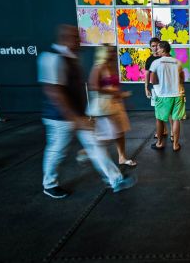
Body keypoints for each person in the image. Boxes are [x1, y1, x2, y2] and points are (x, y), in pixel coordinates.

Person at [37, 25, 136, 198]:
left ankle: (115, 179)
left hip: (78, 116)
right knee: (57, 150)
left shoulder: (72, 59)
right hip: (59, 118)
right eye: (75, 37)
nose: (79, 40)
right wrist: (74, 118)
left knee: (95, 145)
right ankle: (49, 184)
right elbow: (54, 92)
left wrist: (82, 115)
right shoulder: (52, 58)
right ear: (64, 38)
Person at [89, 45, 136, 166]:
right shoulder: (98, 67)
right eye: (110, 52)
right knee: (109, 133)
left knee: (120, 131)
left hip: (115, 104)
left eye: (113, 52)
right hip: (104, 107)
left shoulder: (112, 67)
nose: (113, 54)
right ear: (103, 53)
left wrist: (121, 95)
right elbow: (93, 87)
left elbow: (115, 86)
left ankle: (122, 157)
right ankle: (88, 150)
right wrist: (112, 92)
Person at [149, 41, 185, 151]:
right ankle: (176, 145)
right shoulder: (178, 62)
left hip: (162, 95)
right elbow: (182, 79)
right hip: (178, 94)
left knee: (159, 119)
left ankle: (160, 143)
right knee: (176, 119)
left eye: (158, 48)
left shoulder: (156, 63)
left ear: (163, 49)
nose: (156, 50)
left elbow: (153, 80)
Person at [145, 37, 172, 140]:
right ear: (150, 47)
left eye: (157, 45)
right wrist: (146, 87)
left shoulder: (167, 57)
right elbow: (147, 75)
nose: (155, 48)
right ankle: (163, 130)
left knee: (169, 111)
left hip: (168, 88)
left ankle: (173, 133)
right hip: (156, 88)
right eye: (153, 46)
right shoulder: (150, 59)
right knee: (158, 112)